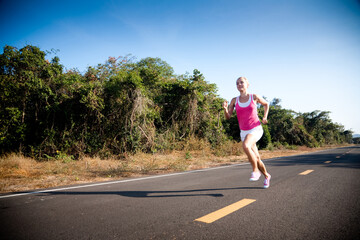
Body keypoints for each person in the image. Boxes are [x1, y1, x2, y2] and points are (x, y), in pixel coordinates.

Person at [223, 76, 271, 188]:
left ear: (247, 84)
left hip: (255, 128)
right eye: (237, 83)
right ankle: (267, 175)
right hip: (243, 131)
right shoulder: (234, 100)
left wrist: (264, 116)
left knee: (245, 145)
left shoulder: (254, 97)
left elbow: (266, 104)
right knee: (257, 158)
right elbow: (228, 117)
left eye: (242, 82)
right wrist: (225, 109)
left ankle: (255, 171)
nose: (239, 84)